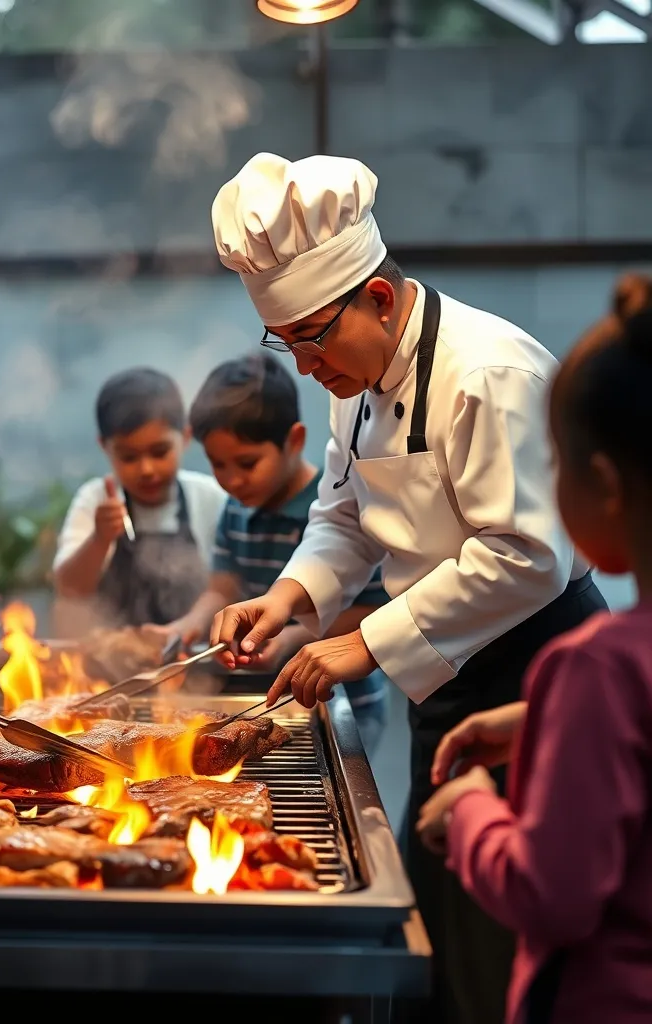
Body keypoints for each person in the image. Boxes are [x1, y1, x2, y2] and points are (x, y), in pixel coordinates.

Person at [206, 152, 606, 1024]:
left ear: (379, 299)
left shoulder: (487, 373)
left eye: (312, 338)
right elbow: (344, 515)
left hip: (534, 669)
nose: (303, 366)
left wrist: (365, 643)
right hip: (446, 672)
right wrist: (289, 598)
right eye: (286, 343)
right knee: (441, 912)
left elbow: (528, 555)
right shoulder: (353, 378)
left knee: (507, 927)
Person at [417, 275, 652, 1024]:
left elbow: (552, 896)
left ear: (603, 484)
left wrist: (469, 813)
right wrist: (542, 720)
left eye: (552, 464)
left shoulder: (599, 668)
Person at [153, 352, 389, 751]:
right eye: (218, 465)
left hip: (343, 699)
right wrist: (191, 623)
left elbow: (373, 609)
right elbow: (222, 588)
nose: (232, 480)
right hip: (267, 695)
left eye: (247, 463)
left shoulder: (337, 506)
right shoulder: (236, 508)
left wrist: (295, 635)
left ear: (294, 441)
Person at [52, 367, 226, 632]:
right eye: (129, 457)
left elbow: (229, 586)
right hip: (112, 653)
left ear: (185, 438)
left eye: (160, 452)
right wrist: (100, 539)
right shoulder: (95, 499)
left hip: (194, 651)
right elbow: (70, 589)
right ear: (104, 447)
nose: (146, 469)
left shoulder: (209, 497)